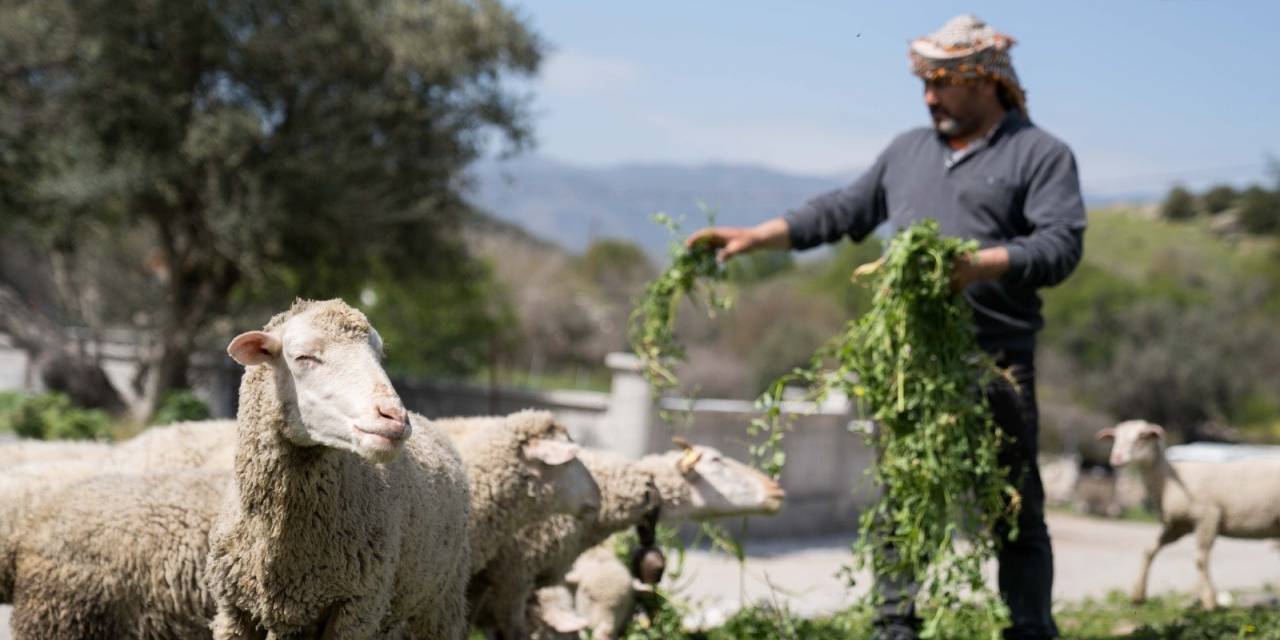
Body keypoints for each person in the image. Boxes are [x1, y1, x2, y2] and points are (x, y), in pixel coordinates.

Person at [686, 14, 1084, 640]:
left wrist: (977, 266)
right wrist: (759, 235)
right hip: (914, 364)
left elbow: (1060, 246)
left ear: (986, 82)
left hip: (996, 361)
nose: (929, 98)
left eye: (943, 84)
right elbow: (844, 209)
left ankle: (1029, 627)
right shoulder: (908, 151)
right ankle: (893, 626)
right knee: (902, 497)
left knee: (1011, 506)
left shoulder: (1039, 155)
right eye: (925, 84)